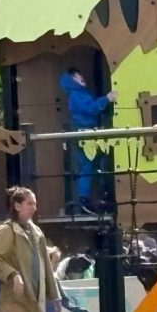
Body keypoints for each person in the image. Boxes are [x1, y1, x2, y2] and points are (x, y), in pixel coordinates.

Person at [58, 68, 117, 212]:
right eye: (76, 76)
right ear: (71, 81)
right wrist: (107, 99)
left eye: (80, 74)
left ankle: (94, 197)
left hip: (88, 134)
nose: (81, 77)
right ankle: (84, 200)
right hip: (84, 134)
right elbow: (91, 109)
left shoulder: (80, 94)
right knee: (88, 166)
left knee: (93, 165)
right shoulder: (77, 96)